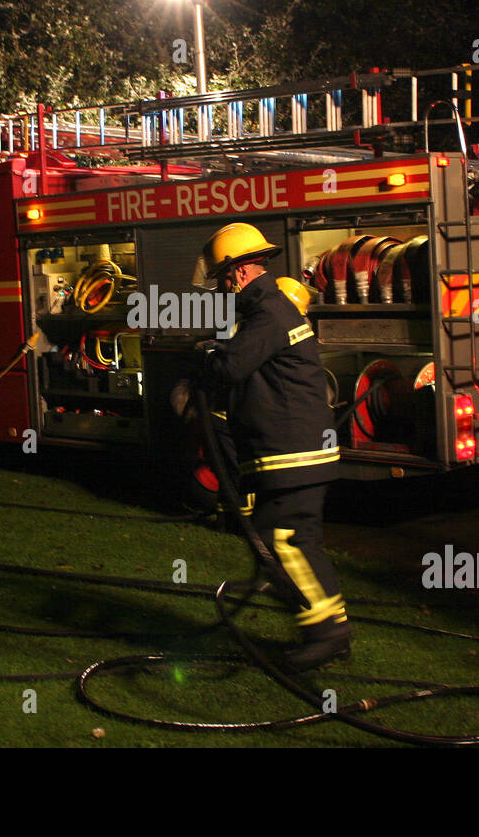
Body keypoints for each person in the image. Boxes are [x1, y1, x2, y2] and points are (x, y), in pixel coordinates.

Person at [196, 223, 348, 669]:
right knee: (297, 540)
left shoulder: (267, 313)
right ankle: (330, 627)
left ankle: (327, 632)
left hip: (292, 451)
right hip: (295, 449)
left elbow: (230, 368)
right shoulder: (270, 309)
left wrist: (205, 357)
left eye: (224, 277)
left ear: (240, 271)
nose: (223, 286)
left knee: (283, 541)